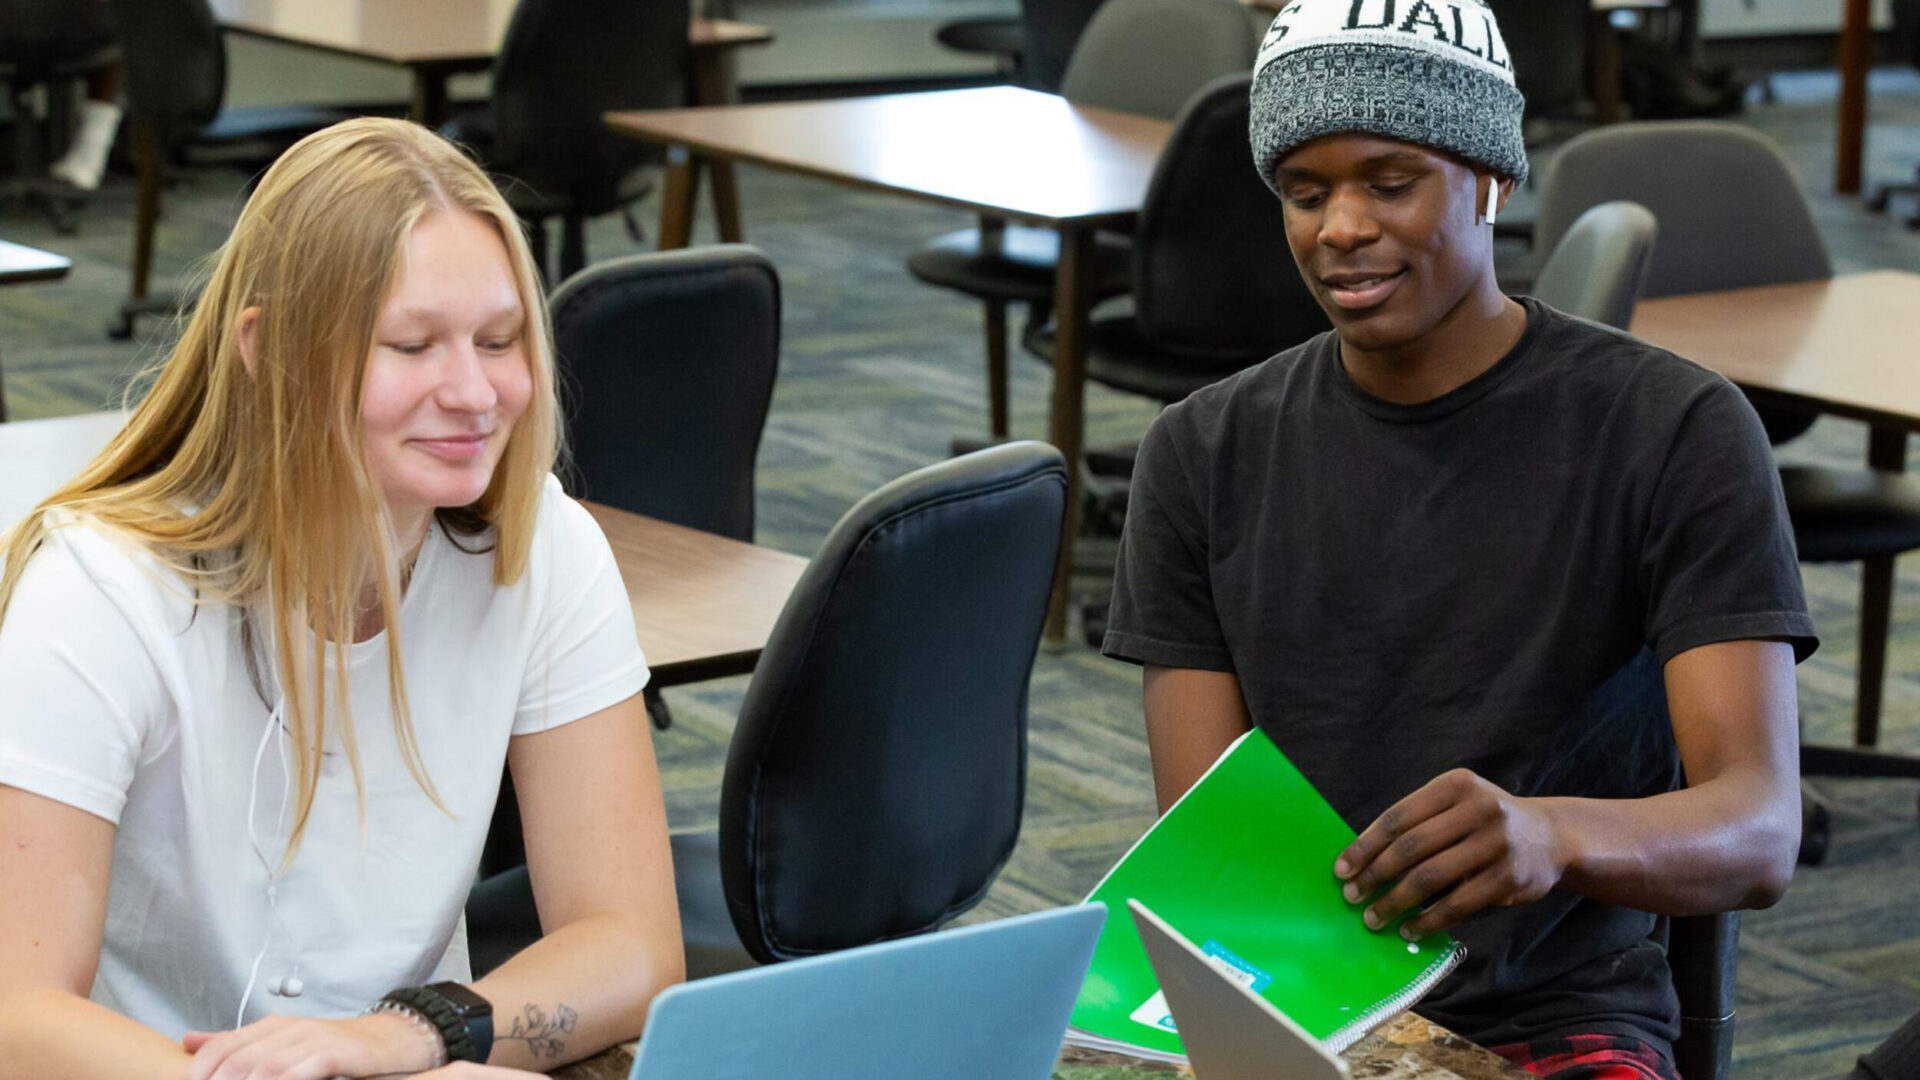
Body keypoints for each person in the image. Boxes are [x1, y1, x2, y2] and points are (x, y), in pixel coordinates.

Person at [1100, 1, 1815, 1077]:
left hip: (1553, 1017)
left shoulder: (1671, 430)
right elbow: (1209, 857)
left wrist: (1554, 836)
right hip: (1284, 999)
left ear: (1491, 180)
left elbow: (1759, 830)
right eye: (1305, 192)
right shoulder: (1202, 451)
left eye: (1391, 182)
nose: (1341, 226)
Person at [0, 117, 682, 1079]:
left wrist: (404, 1034)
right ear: (269, 348)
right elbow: (16, 1017)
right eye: (411, 345)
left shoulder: (545, 544)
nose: (476, 393)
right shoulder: (100, 590)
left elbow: (635, 946)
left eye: (499, 340)